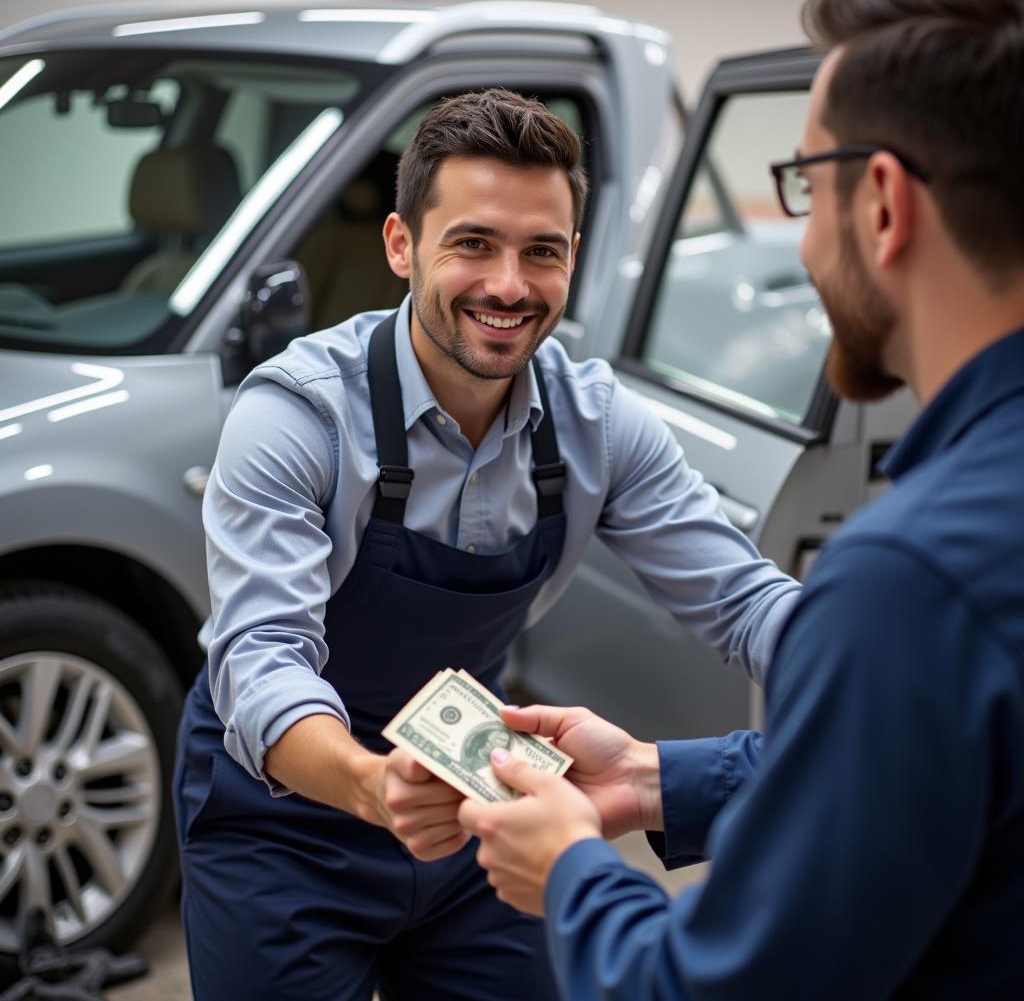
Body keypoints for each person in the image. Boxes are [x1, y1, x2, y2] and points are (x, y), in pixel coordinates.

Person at [459, 0, 1024, 997]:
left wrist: (573, 875)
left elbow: (713, 984)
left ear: (884, 203)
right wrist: (651, 777)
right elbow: (917, 778)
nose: (801, 244)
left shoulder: (912, 576)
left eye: (806, 185)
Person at [173, 89, 800, 1000]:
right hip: (283, 820)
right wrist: (367, 783)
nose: (509, 285)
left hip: (481, 804)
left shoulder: (600, 427)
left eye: (540, 251)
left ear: (573, 261)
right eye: (473, 243)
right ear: (401, 245)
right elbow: (261, 658)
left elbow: (746, 601)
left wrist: (877, 667)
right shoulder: (297, 415)